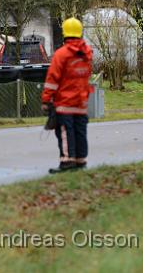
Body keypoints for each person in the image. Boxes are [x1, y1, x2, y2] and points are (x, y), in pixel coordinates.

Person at [41, 17, 93, 174]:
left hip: (64, 103)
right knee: (80, 132)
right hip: (81, 102)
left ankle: (67, 162)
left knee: (65, 132)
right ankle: (80, 160)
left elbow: (52, 79)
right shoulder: (86, 53)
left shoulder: (61, 54)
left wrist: (46, 99)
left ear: (65, 33)